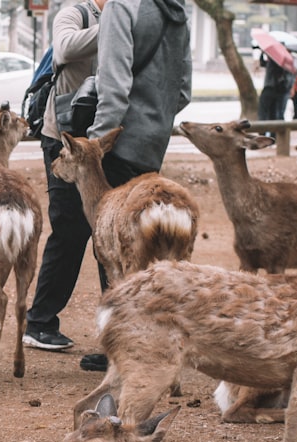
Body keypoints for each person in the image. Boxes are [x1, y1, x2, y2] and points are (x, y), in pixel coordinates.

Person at [78, 0, 191, 372]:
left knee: (113, 246)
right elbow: (184, 90)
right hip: (153, 141)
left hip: (119, 140)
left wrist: (97, 142)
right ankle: (155, 341)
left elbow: (114, 82)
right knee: (149, 254)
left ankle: (122, 345)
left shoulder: (121, 8)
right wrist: (156, 120)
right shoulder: (176, 9)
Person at [23, 1, 104, 355]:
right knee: (70, 227)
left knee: (107, 230)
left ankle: (118, 325)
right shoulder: (75, 12)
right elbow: (66, 48)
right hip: (65, 139)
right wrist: (114, 27)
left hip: (104, 139)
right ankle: (39, 322)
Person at [257, 52, 295, 125]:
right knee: (273, 114)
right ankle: (273, 133)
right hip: (277, 91)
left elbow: (262, 63)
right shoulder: (284, 64)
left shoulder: (272, 62)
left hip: (269, 89)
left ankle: (262, 132)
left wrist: (263, 53)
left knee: (263, 112)